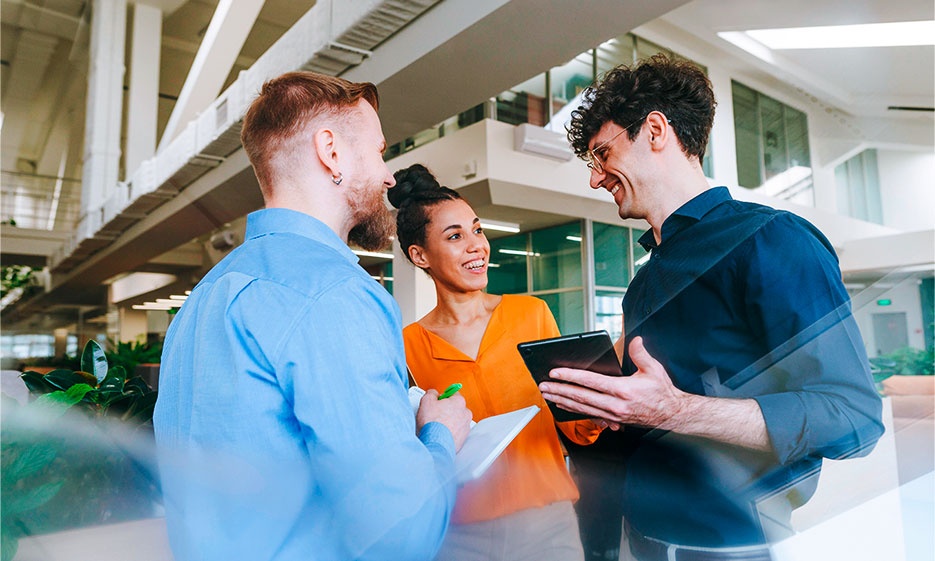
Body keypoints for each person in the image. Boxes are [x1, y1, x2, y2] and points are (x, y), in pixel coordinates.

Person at [537, 54, 884, 560]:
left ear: (655, 130)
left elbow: (854, 417)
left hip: (730, 546)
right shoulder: (645, 280)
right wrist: (611, 410)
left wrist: (677, 411)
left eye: (601, 156)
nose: (596, 178)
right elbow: (654, 405)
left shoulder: (771, 239)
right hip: (639, 536)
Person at [153, 72, 473, 561]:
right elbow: (402, 533)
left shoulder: (203, 298)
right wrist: (439, 435)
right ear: (331, 152)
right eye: (379, 151)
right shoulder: (336, 294)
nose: (389, 176)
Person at [389, 163, 605, 561]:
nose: (477, 245)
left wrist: (599, 410)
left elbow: (573, 426)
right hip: (457, 536)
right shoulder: (405, 348)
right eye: (455, 236)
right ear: (420, 256)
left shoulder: (531, 315)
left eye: (477, 229)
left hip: (548, 524)